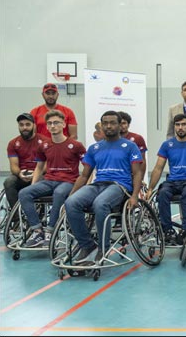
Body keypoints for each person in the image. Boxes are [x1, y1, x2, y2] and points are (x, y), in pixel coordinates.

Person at [64, 111, 143, 264]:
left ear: (120, 125)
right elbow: (84, 175)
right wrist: (71, 195)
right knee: (71, 203)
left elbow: (137, 173)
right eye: (105, 123)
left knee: (100, 204)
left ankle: (103, 247)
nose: (108, 126)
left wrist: (135, 196)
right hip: (98, 184)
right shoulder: (94, 148)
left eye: (112, 123)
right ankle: (87, 246)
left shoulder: (130, 146)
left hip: (119, 186)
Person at [19, 110, 86, 247]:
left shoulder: (76, 145)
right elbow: (39, 168)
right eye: (49, 123)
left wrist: (85, 186)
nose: (52, 126)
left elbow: (88, 168)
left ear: (63, 124)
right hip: (49, 180)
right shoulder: (44, 145)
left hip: (69, 181)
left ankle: (50, 231)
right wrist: (33, 185)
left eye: (56, 122)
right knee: (24, 193)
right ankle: (37, 231)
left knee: (59, 193)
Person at [146, 114, 186, 245]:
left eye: (184, 124)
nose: (180, 127)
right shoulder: (167, 145)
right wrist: (151, 188)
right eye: (177, 125)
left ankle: (185, 230)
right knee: (162, 193)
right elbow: (158, 168)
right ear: (174, 126)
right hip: (173, 181)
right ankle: (167, 231)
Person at [4, 113, 48, 209]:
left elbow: (47, 165)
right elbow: (14, 165)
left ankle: (38, 215)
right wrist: (20, 174)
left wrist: (36, 174)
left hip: (40, 174)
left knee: (42, 181)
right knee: (8, 182)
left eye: (28, 124)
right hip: (22, 175)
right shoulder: (13, 143)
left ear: (34, 126)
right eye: (21, 125)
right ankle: (16, 217)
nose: (24, 127)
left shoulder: (45, 141)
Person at [118, 111, 148, 177]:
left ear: (128, 124)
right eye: (119, 123)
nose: (121, 126)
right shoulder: (110, 140)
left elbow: (142, 161)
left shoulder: (137, 138)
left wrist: (141, 179)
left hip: (131, 175)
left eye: (124, 123)